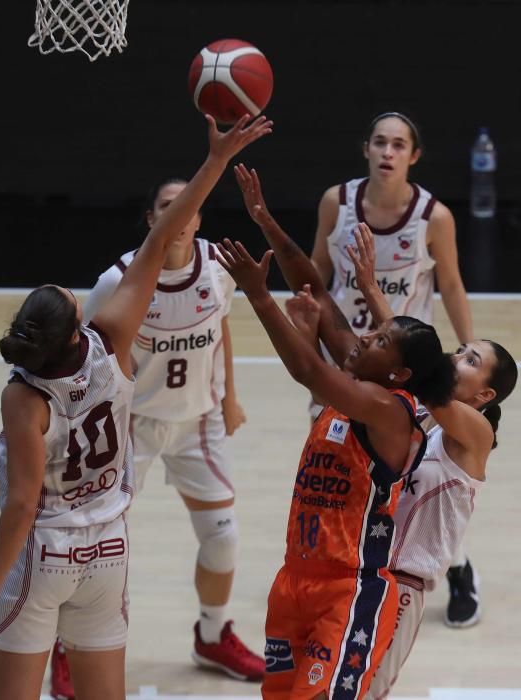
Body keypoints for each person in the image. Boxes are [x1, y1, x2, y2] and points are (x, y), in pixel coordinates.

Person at [0, 113, 272, 700]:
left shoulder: (22, 396)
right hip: (107, 550)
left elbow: (21, 503)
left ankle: (212, 631)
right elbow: (162, 237)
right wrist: (216, 160)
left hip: (46, 552)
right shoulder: (112, 344)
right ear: (76, 330)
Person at [215, 166, 456, 699]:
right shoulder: (358, 378)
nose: (364, 337)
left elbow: (308, 370)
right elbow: (315, 289)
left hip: (348, 590)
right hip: (294, 579)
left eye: (379, 340)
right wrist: (266, 221)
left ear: (398, 373)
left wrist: (258, 297)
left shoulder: (389, 408)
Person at [50, 176, 263, 697]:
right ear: (152, 219)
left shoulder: (219, 266)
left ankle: (212, 635)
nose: (180, 213)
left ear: (198, 217)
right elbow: (89, 360)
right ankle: (66, 647)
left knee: (223, 536)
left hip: (199, 423)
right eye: (169, 205)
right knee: (95, 544)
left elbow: (222, 327)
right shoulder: (117, 280)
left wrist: (230, 396)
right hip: (131, 427)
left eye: (188, 205)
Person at [309, 112, 477, 628]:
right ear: (366, 149)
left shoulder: (435, 216)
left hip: (404, 371)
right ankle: (342, 573)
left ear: (414, 155)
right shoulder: (337, 202)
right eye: (380, 142)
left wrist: (465, 353)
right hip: (348, 360)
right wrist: (307, 340)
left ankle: (459, 567)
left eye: (398, 144)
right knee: (337, 473)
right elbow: (317, 272)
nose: (388, 151)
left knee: (415, 482)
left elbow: (449, 284)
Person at [342, 224, 518, 698]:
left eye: (468, 358)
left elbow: (420, 368)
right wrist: (371, 289)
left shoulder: (477, 435)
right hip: (357, 566)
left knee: (366, 692)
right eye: (460, 350)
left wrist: (377, 295)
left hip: (401, 585)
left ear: (484, 393)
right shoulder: (423, 407)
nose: (455, 356)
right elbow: (409, 354)